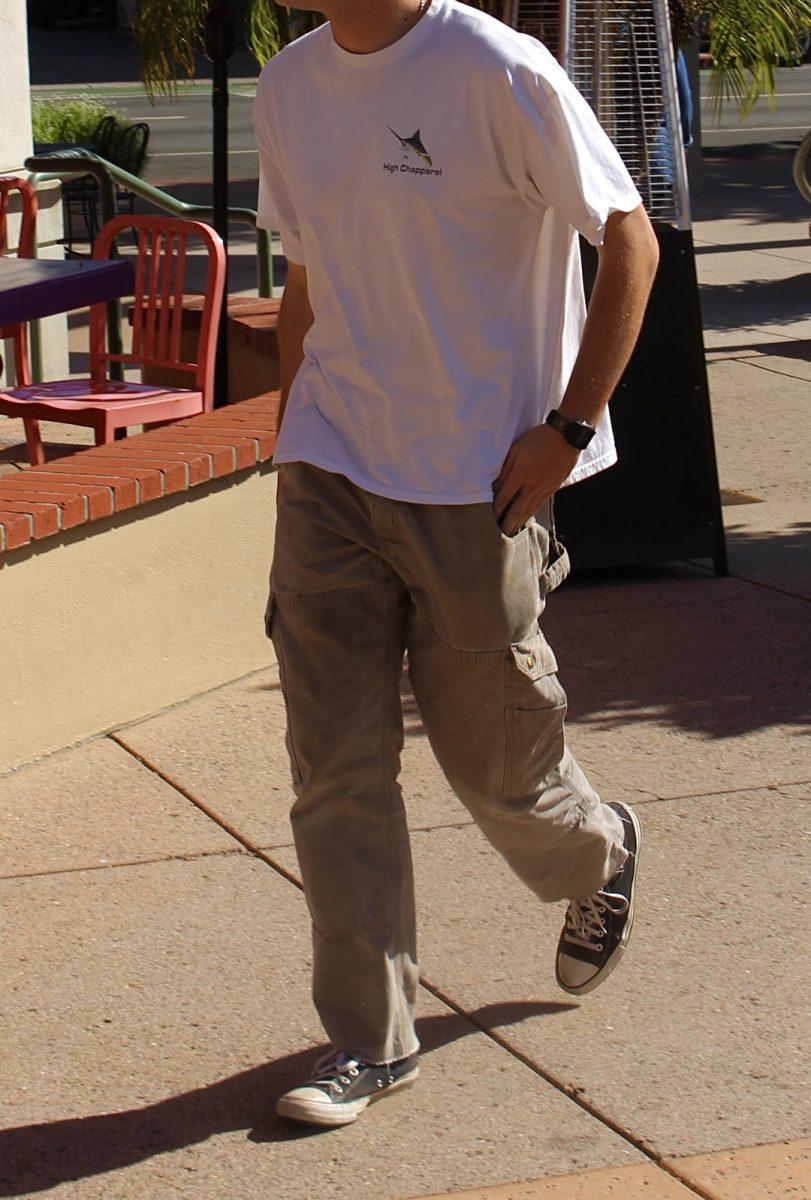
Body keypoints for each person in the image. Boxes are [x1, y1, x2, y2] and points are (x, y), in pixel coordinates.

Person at [254, 0, 659, 1129]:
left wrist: (569, 427)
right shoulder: (289, 83)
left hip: (477, 478)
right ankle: (370, 1044)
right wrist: (296, 440)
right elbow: (307, 281)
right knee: (332, 768)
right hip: (332, 467)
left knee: (496, 771)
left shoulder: (495, 67)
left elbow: (628, 237)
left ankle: (597, 852)